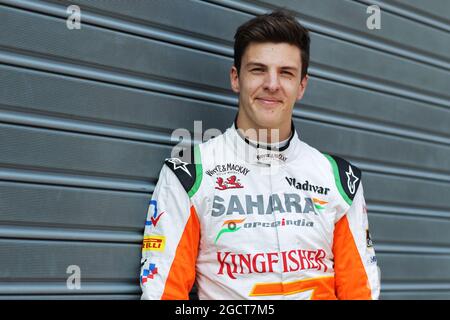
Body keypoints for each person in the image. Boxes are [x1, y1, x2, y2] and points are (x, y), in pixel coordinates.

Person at [140, 10, 380, 300]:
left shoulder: (340, 179)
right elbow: (164, 293)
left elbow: (360, 292)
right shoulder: (188, 174)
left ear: (301, 86)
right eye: (257, 70)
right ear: (235, 78)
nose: (272, 84)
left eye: (286, 73)